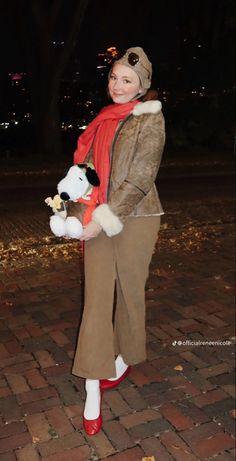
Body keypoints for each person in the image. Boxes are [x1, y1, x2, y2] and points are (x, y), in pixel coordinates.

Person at [71, 46, 165, 435]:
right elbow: (84, 177)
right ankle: (93, 387)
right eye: (113, 78)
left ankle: (123, 358)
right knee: (96, 299)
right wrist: (74, 216)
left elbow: (140, 179)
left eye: (127, 80)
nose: (118, 85)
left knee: (129, 293)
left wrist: (103, 221)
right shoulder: (100, 122)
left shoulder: (149, 121)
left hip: (137, 219)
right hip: (97, 221)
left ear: (141, 86)